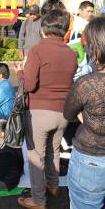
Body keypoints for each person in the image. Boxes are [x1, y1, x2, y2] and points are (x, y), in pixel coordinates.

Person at [14, 9, 77, 209]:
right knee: (54, 150)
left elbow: (30, 85)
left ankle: (39, 200)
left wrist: (20, 73)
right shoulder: (71, 52)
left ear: (42, 29)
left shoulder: (38, 50)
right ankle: (54, 185)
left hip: (40, 112)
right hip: (63, 112)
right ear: (65, 30)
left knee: (36, 156)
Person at [63, 17, 105, 209]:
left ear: (96, 49)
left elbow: (68, 113)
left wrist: (85, 118)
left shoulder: (87, 83)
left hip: (91, 160)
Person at [67, 1, 95, 81]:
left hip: (77, 58)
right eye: (88, 11)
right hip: (81, 60)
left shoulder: (71, 20)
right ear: (80, 10)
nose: (90, 14)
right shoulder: (85, 24)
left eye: (91, 12)